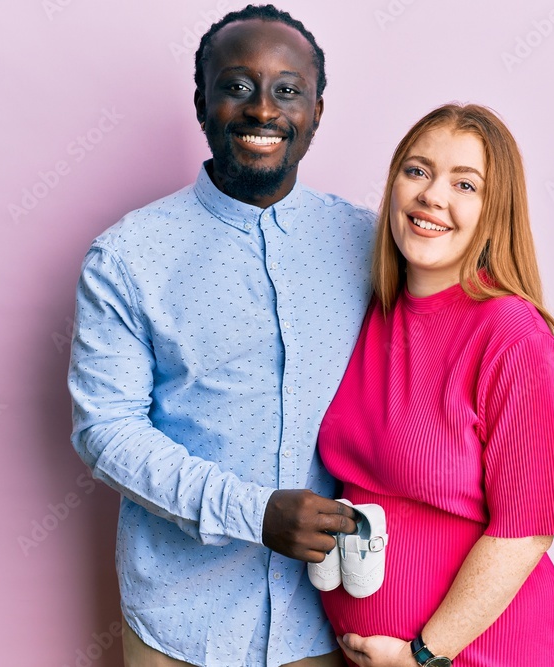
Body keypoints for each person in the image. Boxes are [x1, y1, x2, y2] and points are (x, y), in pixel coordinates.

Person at [67, 5, 372, 666]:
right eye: (237, 86)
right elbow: (106, 430)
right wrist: (253, 512)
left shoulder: (369, 245)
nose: (263, 109)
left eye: (287, 90)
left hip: (331, 622)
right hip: (181, 624)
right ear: (202, 104)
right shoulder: (128, 256)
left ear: (317, 111)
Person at [317, 104, 554, 667]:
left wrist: (421, 655)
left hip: (477, 653)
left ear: (494, 210)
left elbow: (527, 530)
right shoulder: (367, 311)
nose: (432, 196)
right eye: (417, 171)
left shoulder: (512, 334)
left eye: (465, 184)